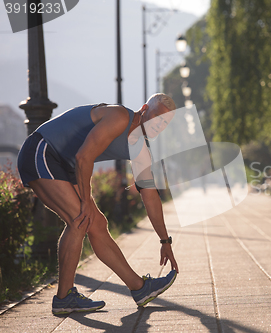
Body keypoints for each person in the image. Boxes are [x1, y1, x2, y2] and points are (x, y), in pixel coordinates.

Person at [17, 93, 179, 314]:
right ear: (144, 109)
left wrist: (165, 241)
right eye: (157, 117)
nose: (159, 124)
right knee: (80, 220)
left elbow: (150, 197)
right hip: (43, 150)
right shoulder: (120, 117)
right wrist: (85, 201)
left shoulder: (141, 151)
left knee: (97, 224)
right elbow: (84, 157)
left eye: (164, 123)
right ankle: (65, 297)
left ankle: (139, 289)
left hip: (65, 165)